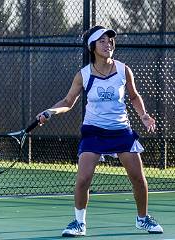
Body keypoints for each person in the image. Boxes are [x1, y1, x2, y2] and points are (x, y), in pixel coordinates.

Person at [37, 25, 163, 237]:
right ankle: (79, 223)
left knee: (138, 178)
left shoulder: (124, 70)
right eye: (102, 41)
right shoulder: (84, 75)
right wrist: (51, 111)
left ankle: (143, 219)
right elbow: (68, 101)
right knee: (83, 178)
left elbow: (134, 96)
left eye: (110, 40)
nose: (108, 44)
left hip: (121, 131)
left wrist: (143, 115)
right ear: (92, 47)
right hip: (93, 132)